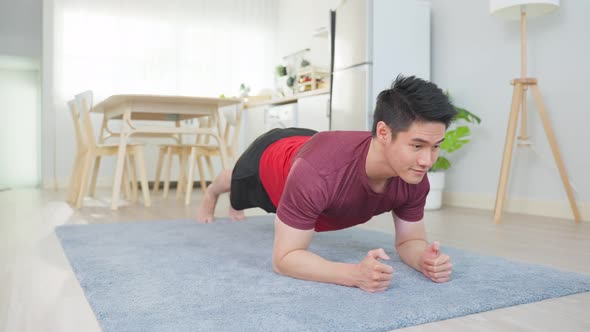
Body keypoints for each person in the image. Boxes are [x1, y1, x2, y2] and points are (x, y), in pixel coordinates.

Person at [197, 75, 457, 293]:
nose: (427, 160)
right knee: (233, 180)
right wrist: (354, 274)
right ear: (383, 133)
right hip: (271, 159)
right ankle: (210, 193)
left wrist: (423, 258)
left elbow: (409, 241)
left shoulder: (413, 174)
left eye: (435, 147)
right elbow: (284, 259)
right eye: (417, 145)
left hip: (312, 147)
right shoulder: (317, 172)